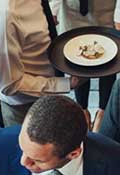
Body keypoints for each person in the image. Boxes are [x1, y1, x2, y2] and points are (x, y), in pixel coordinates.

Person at [0, 0, 80, 128]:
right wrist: (64, 84)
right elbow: (9, 84)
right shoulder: (3, 15)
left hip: (47, 96)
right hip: (26, 109)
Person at [50, 0, 118, 130]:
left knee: (109, 56)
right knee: (76, 55)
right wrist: (53, 9)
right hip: (71, 9)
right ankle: (82, 110)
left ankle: (102, 112)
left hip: (106, 8)